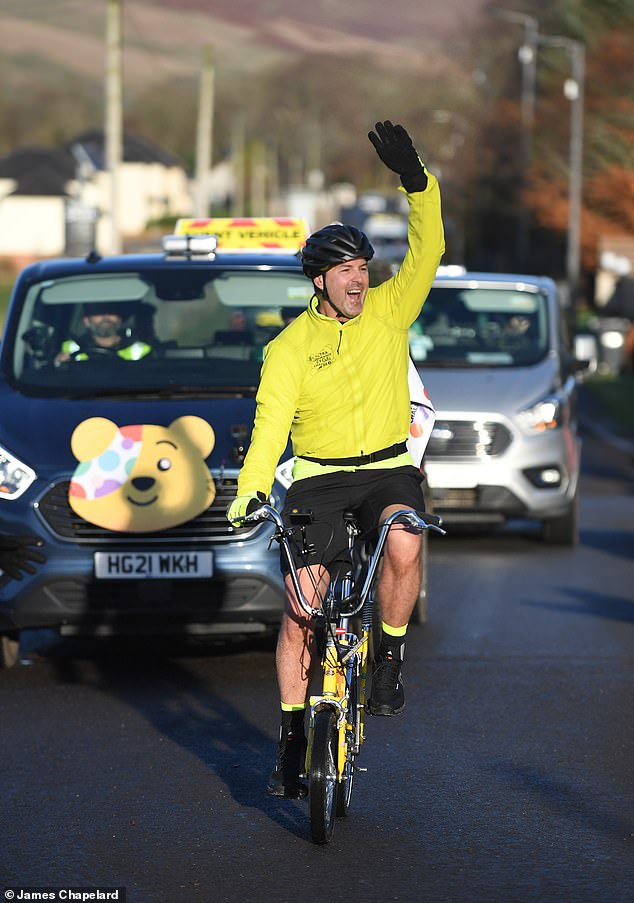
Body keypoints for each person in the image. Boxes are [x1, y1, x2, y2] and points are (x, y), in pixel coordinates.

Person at [227, 120, 445, 798]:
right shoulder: (289, 348)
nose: (359, 280)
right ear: (319, 280)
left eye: (363, 269)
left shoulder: (389, 312)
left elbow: (429, 248)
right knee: (301, 606)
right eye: (347, 271)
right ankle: (293, 736)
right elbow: (270, 430)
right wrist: (248, 491)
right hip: (319, 475)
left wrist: (417, 182)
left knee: (405, 536)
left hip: (386, 466)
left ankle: (389, 658)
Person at [55, 305, 152, 363]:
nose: (106, 317)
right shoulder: (70, 348)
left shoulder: (141, 350)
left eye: (111, 311)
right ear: (86, 321)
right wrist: (58, 365)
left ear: (120, 320)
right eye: (98, 311)